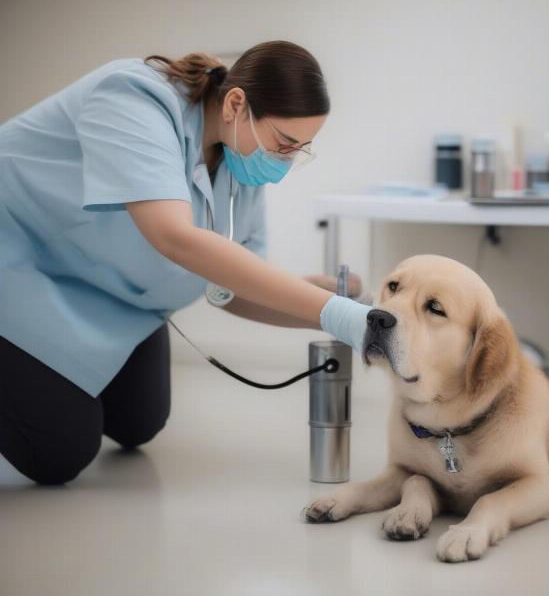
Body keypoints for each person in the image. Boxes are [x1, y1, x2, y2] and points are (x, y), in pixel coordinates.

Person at [0, 40, 372, 486]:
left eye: (300, 149)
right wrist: (332, 312)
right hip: (22, 262)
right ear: (237, 103)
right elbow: (174, 236)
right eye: (285, 143)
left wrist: (323, 305)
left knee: (140, 423)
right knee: (59, 451)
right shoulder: (135, 98)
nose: (286, 161)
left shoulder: (238, 163)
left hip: (105, 289)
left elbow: (230, 288)